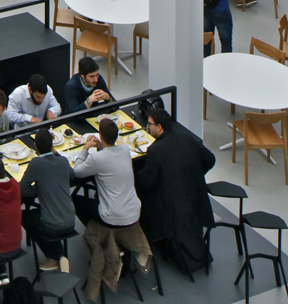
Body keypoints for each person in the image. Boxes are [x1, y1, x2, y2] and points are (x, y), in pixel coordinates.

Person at [71, 116, 151, 300]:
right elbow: (109, 154)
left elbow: (77, 171)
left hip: (112, 217)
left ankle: (97, 230)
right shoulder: (124, 150)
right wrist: (100, 145)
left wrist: (85, 148)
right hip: (134, 212)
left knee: (76, 200)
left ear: (100, 135)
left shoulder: (97, 158)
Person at [133, 102, 216, 276]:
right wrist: (194, 175)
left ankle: (146, 241)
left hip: (171, 206)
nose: (148, 127)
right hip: (194, 196)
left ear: (159, 127)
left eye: (149, 124)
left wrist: (134, 171)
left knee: (141, 196)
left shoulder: (155, 150)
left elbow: (147, 183)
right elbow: (210, 159)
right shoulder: (187, 138)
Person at [21, 128, 78, 269]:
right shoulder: (63, 161)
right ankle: (60, 256)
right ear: (52, 145)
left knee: (24, 217)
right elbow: (71, 174)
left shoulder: (36, 163)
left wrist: (38, 190)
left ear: (35, 145)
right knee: (40, 215)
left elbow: (22, 188)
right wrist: (56, 153)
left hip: (51, 226)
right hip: (71, 221)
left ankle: (54, 256)